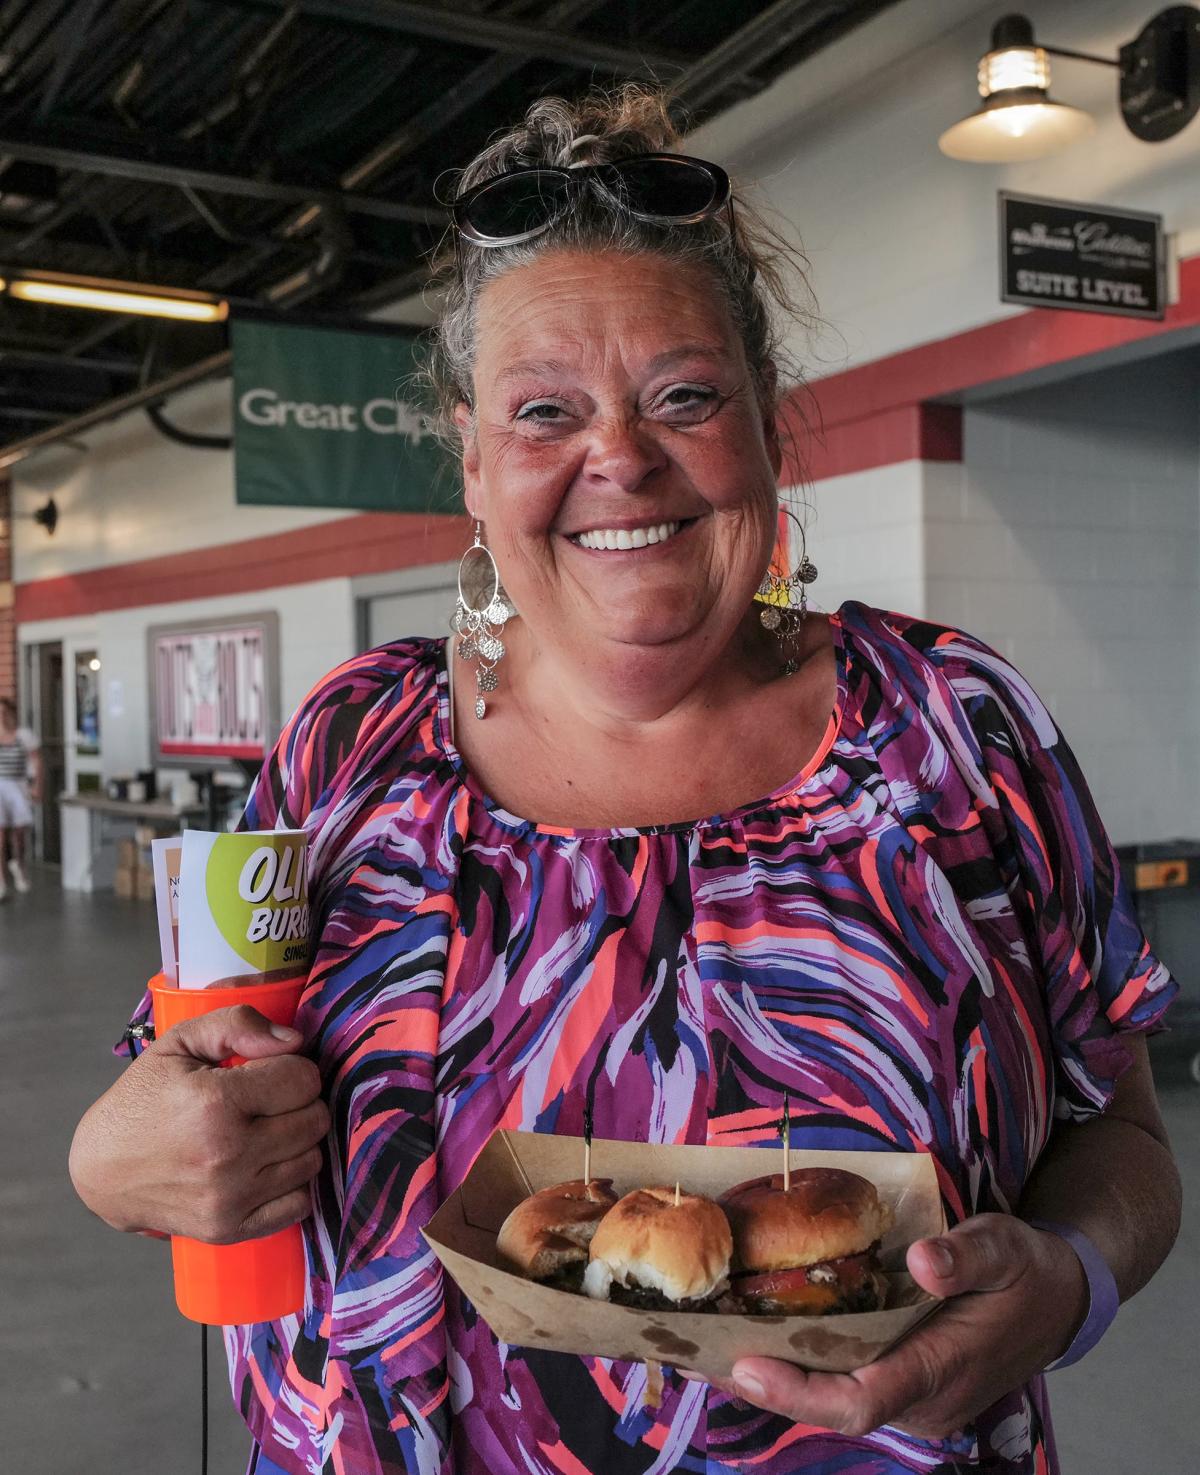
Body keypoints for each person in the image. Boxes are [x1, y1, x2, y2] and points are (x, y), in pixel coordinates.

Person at [69, 86, 1181, 1475]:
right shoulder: (347, 748)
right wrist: (113, 1165)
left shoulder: (955, 729)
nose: (620, 456)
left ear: (770, 429)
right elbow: (185, 1080)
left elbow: (1120, 1128)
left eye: (685, 395)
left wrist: (1070, 1280)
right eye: (546, 412)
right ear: (471, 461)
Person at [0, 695, 41, 899]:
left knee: (19, 831)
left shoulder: (23, 735)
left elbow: (35, 761)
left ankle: (19, 865)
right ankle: (1, 879)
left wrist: (36, 786)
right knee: (0, 835)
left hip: (18, 785)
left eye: (4, 713)